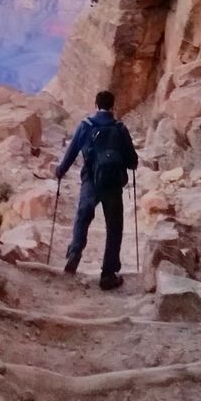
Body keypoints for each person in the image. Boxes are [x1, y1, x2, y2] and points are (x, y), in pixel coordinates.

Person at [55, 89, 138, 291]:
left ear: (95, 105)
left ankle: (74, 254)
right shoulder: (120, 128)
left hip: (91, 180)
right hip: (113, 184)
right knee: (114, 227)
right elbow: (132, 161)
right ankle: (108, 274)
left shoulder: (86, 126)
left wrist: (60, 171)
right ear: (112, 106)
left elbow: (72, 151)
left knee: (83, 216)